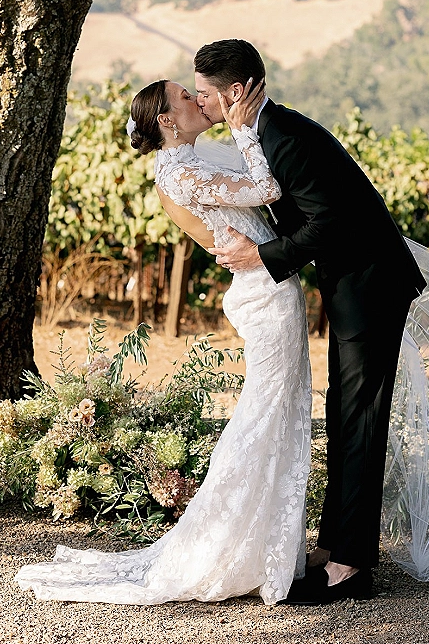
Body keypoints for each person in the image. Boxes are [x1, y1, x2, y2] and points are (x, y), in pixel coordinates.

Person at [16, 79, 312, 606]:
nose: (199, 101)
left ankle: (267, 546)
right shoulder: (183, 170)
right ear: (169, 121)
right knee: (266, 415)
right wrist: (245, 132)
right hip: (266, 294)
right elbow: (266, 190)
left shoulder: (185, 163)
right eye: (185, 97)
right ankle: (235, 547)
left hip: (270, 287)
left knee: (280, 412)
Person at [194, 39, 426, 605]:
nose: (198, 104)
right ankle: (339, 545)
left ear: (234, 93)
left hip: (371, 286)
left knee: (361, 422)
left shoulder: (286, 138)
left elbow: (326, 222)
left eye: (203, 94)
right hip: (352, 286)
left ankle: (352, 568)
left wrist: (262, 258)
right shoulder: (265, 132)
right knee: (345, 417)